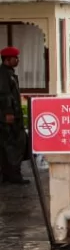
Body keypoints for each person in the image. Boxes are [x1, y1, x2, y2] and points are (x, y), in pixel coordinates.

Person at [0, 46, 28, 184]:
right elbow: (5, 95)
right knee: (14, 145)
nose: (17, 60)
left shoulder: (9, 74)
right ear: (7, 60)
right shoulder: (3, 75)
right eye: (15, 58)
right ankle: (13, 175)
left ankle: (9, 174)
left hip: (13, 116)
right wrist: (8, 113)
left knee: (10, 145)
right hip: (8, 118)